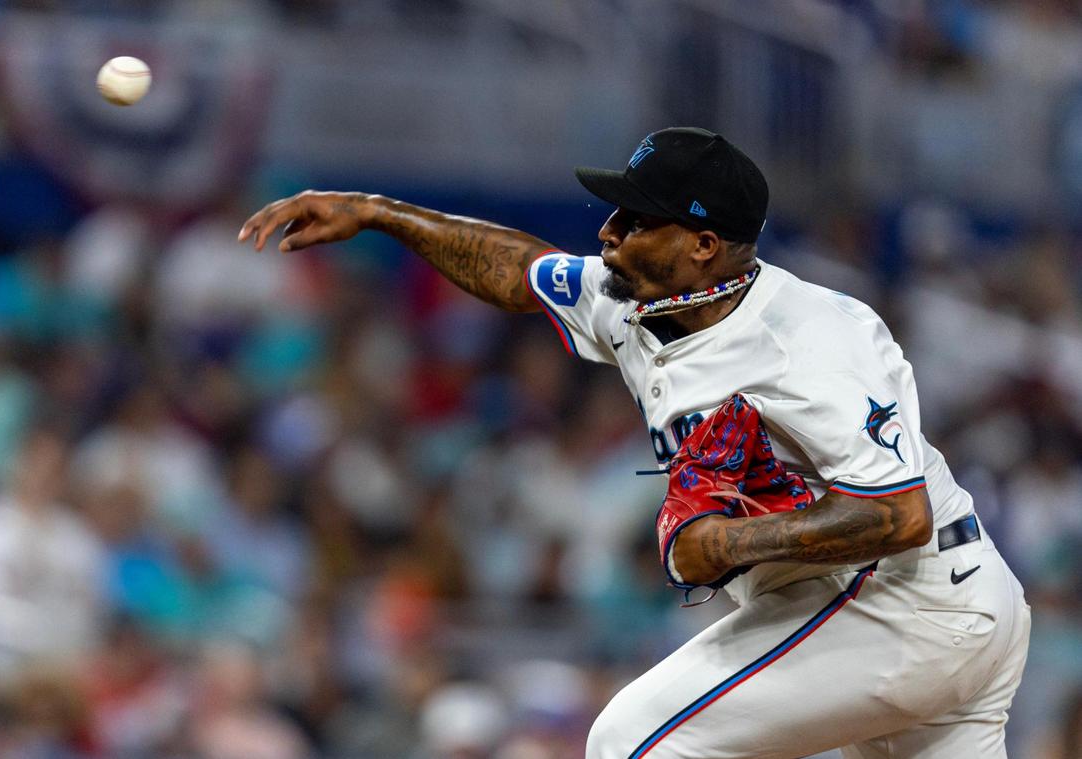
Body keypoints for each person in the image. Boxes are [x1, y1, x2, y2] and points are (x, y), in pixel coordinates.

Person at [239, 127, 1031, 758]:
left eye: (637, 217)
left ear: (703, 245)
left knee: (633, 739)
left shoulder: (813, 341)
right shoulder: (635, 299)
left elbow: (901, 515)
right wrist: (380, 212)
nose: (610, 232)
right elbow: (520, 270)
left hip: (912, 597)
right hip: (895, 607)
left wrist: (729, 541)